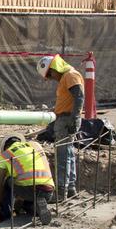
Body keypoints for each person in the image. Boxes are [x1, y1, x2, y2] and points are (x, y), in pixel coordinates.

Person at [37, 54, 84, 199]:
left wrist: (74, 118)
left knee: (62, 156)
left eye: (50, 74)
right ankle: (70, 189)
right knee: (68, 153)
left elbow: (79, 96)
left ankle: (61, 192)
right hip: (64, 119)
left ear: (54, 67)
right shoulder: (67, 77)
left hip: (66, 119)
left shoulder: (70, 75)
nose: (52, 78)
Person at [0, 135, 54, 225]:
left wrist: (1, 200)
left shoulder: (5, 155)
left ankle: (6, 215)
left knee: (8, 181)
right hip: (48, 190)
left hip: (30, 190)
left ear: (6, 147)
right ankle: (33, 207)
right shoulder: (35, 146)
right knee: (27, 205)